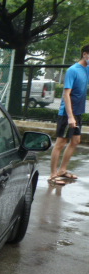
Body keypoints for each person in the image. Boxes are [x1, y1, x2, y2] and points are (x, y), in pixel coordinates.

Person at [49, 44, 89, 185]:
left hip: (78, 112)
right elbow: (66, 94)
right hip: (67, 113)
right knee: (61, 143)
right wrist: (70, 116)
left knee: (75, 141)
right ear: (85, 54)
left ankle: (62, 170)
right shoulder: (73, 70)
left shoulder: (87, 69)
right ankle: (53, 175)